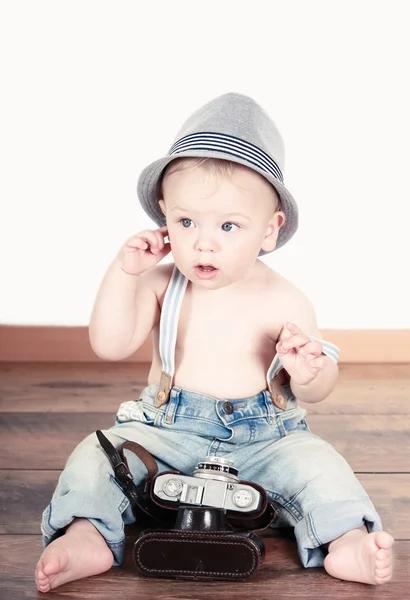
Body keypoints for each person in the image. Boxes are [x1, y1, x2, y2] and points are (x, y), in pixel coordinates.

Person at [35, 93, 394, 592]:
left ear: (270, 230)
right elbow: (110, 344)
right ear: (164, 216)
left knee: (320, 467)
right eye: (187, 222)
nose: (204, 242)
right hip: (166, 431)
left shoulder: (285, 299)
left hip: (266, 440)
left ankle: (347, 538)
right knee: (96, 458)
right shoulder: (163, 282)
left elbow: (314, 389)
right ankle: (87, 533)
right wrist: (124, 274)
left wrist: (310, 372)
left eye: (229, 226)